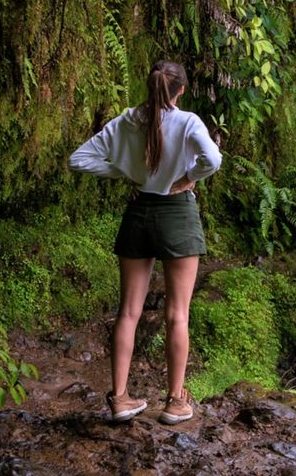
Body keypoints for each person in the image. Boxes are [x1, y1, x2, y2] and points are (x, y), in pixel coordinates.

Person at [68, 60, 222, 424]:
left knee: (128, 313)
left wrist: (124, 171)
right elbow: (212, 159)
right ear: (180, 90)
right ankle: (174, 402)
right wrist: (188, 177)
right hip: (177, 213)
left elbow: (79, 160)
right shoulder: (188, 122)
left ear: (150, 85)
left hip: (138, 214)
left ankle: (120, 398)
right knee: (177, 314)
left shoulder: (126, 120)